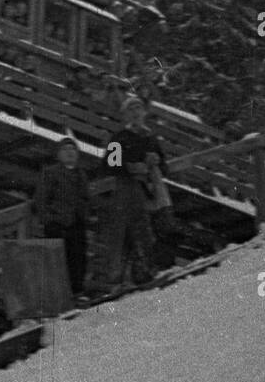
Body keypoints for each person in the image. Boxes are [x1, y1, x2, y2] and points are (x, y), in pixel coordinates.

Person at [103, 95, 166, 289]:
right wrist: (130, 167)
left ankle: (147, 270)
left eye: (139, 108)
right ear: (125, 115)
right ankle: (121, 278)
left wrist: (157, 161)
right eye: (131, 109)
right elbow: (108, 164)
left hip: (149, 189)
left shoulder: (151, 138)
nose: (136, 113)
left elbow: (165, 166)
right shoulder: (119, 137)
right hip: (127, 189)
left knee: (152, 228)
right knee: (127, 232)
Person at [34, 138, 91, 300]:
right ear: (59, 155)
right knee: (58, 260)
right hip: (57, 224)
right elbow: (41, 199)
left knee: (78, 259)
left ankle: (77, 293)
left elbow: (86, 197)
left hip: (77, 223)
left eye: (73, 149)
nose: (69, 152)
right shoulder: (51, 173)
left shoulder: (81, 174)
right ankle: (59, 296)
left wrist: (85, 215)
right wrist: (49, 220)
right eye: (65, 149)